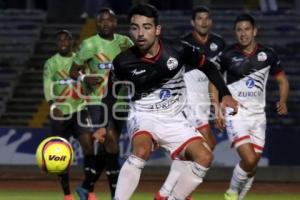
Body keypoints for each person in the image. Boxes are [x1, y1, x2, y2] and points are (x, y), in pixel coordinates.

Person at [111, 4, 238, 200]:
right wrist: (106, 126)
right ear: (130, 30)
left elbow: (209, 67)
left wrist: (225, 93)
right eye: (135, 27)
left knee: (205, 158)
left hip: (175, 118)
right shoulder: (122, 62)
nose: (140, 33)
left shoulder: (178, 49)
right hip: (144, 115)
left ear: (157, 29)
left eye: (146, 27)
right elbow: (110, 94)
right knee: (141, 150)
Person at [155, 6, 226, 199]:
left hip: (203, 103)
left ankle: (166, 192)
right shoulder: (183, 44)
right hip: (187, 101)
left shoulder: (219, 43)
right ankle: (177, 192)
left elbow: (215, 77)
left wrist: (217, 106)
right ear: (193, 23)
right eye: (199, 19)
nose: (203, 22)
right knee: (207, 145)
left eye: (206, 18)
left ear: (210, 21)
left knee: (195, 150)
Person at [215, 14, 289, 200]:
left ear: (255, 31)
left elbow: (283, 81)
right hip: (236, 113)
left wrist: (283, 100)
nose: (243, 33)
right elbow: (213, 80)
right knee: (248, 159)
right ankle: (231, 192)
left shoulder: (268, 54)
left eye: (247, 29)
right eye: (239, 30)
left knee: (253, 164)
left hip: (258, 116)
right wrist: (216, 107)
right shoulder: (227, 54)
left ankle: (239, 198)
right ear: (235, 33)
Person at [69, 7, 133, 200]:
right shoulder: (89, 45)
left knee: (111, 148)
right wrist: (83, 77)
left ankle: (86, 186)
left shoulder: (125, 42)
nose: (105, 23)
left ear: (115, 23)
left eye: (109, 20)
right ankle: (116, 195)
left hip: (120, 100)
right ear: (97, 23)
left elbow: (138, 61)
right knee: (111, 142)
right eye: (101, 20)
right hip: (97, 101)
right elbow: (73, 71)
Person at [43, 30, 97, 200]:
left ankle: (89, 189)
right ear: (56, 43)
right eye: (60, 40)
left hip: (80, 109)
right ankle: (67, 194)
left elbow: (88, 83)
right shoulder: (51, 63)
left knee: (89, 147)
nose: (63, 42)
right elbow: (47, 87)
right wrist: (53, 106)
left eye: (67, 39)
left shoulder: (80, 60)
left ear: (73, 42)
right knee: (60, 154)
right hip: (60, 113)